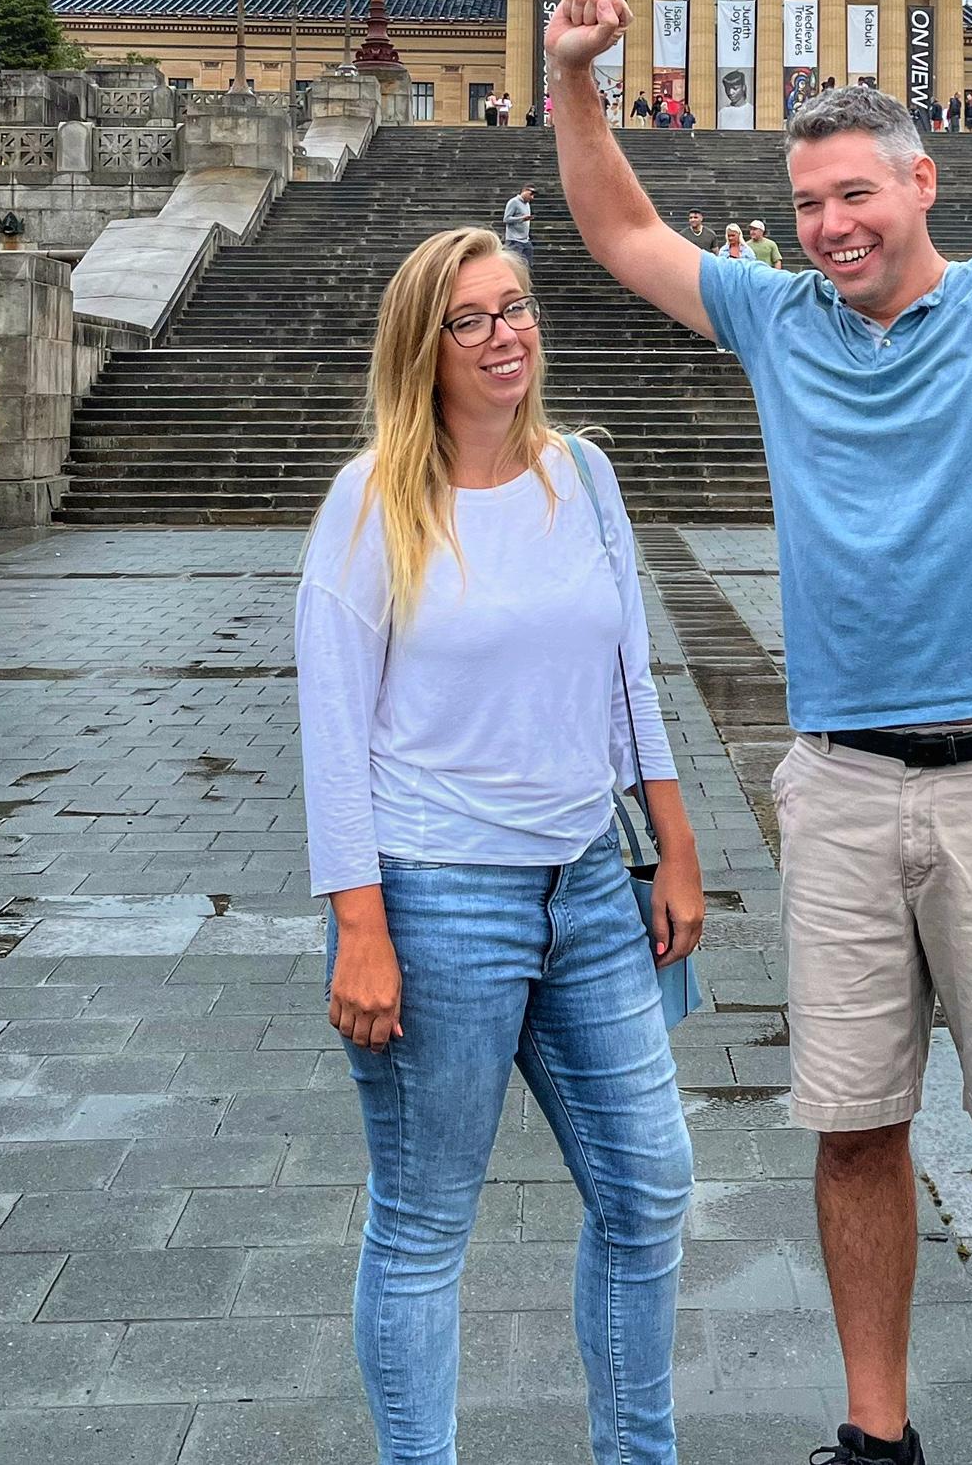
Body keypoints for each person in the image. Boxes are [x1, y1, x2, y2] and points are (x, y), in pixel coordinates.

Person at [546, 0, 972, 1459]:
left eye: (857, 194)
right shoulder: (779, 322)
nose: (831, 226)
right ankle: (875, 1433)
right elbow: (619, 233)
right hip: (842, 786)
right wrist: (574, 78)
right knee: (852, 1129)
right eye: (808, 204)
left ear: (925, 181)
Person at [296, 225, 701, 1465]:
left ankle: (639, 1454)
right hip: (433, 898)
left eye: (514, 307)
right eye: (469, 319)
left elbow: (631, 672)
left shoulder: (582, 474)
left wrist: (674, 847)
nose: (502, 335)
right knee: (424, 1223)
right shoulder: (372, 500)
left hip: (585, 884)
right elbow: (332, 728)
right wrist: (359, 928)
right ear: (424, 347)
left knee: (650, 1192)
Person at [502, 182, 535, 267]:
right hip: (514, 240)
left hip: (525, 240)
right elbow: (506, 219)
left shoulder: (527, 204)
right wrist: (522, 219)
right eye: (530, 194)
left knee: (527, 265)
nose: (532, 197)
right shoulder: (513, 202)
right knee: (515, 266)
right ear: (524, 191)